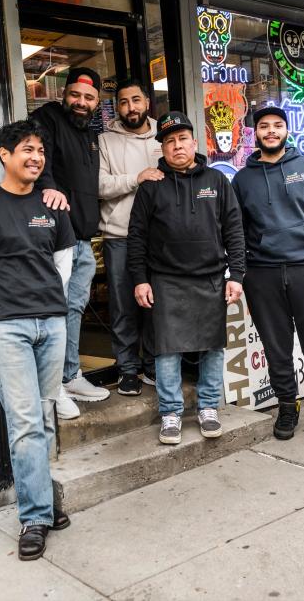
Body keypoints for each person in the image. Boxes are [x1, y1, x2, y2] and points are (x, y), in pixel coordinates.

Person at [0, 120, 75, 561]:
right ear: (4, 154)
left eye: (40, 150)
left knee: (42, 420)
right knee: (24, 424)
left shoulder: (52, 205)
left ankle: (42, 501)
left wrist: (49, 302)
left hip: (51, 326)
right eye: (27, 149)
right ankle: (36, 516)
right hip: (8, 329)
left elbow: (65, 260)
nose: (35, 157)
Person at [231, 106, 304, 440]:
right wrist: (242, 273)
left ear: (286, 130)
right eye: (264, 126)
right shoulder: (242, 179)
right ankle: (287, 406)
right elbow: (237, 230)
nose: (271, 131)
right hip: (263, 274)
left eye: (278, 126)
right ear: (254, 133)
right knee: (276, 347)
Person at [127, 111, 245, 445]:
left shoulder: (217, 181)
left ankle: (208, 407)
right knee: (167, 350)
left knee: (213, 347)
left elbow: (235, 230)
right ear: (162, 149)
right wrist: (140, 278)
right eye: (169, 141)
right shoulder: (151, 187)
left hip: (211, 279)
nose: (176, 146)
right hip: (165, 279)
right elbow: (136, 236)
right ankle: (171, 413)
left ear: (195, 142)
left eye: (182, 139)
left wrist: (235, 274)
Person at [30, 67, 110, 419]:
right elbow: (38, 151)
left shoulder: (90, 132)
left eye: (89, 98)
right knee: (53, 312)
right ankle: (52, 388)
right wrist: (47, 184)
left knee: (73, 309)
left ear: (97, 102)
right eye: (76, 95)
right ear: (65, 94)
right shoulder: (47, 117)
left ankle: (70, 374)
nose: (81, 102)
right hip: (57, 239)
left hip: (83, 237)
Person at [98, 77, 163, 396]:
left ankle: (152, 365)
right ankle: (127, 369)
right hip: (120, 236)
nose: (130, 107)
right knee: (124, 306)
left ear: (146, 103)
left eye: (135, 100)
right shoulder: (105, 141)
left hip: (159, 239)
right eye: (123, 102)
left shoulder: (164, 137)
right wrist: (135, 178)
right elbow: (99, 186)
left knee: (156, 305)